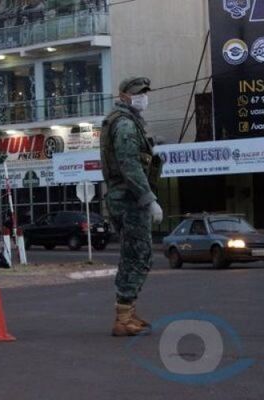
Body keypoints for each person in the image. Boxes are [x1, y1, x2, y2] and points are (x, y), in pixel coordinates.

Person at [100, 77, 163, 337]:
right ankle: (123, 316)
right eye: (138, 93)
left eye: (145, 92)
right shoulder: (125, 124)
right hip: (129, 200)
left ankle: (128, 310)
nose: (143, 97)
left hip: (125, 198)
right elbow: (129, 166)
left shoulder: (125, 121)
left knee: (133, 256)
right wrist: (149, 200)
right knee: (139, 257)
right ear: (124, 95)